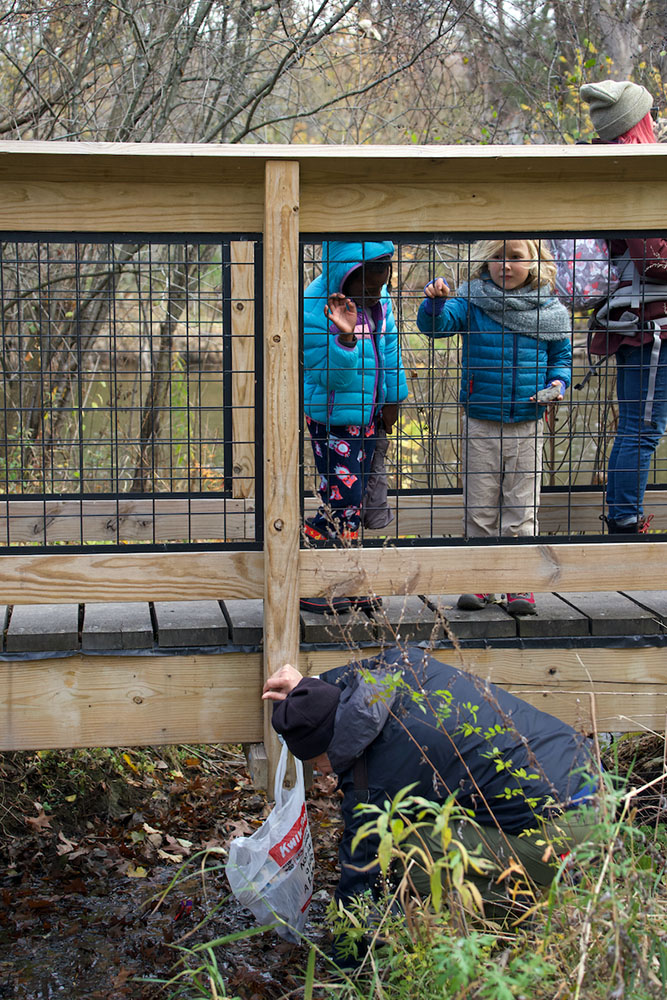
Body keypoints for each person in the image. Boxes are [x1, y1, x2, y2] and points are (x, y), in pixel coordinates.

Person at [262, 645, 598, 929]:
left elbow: (362, 870)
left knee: (407, 864)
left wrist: (345, 964)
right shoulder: (398, 669)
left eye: (316, 762)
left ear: (331, 748)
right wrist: (313, 687)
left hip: (569, 829)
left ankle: (542, 905)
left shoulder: (375, 778)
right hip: (593, 776)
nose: (320, 772)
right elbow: (391, 655)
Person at [416, 238, 572, 616]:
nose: (505, 265)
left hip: (528, 421)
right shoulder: (470, 302)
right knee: (480, 506)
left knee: (521, 507)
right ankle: (480, 582)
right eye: (496, 258)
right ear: (484, 264)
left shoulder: (550, 310)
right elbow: (436, 327)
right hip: (481, 422)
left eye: (515, 258)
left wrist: (558, 384)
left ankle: (520, 584)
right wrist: (435, 301)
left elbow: (561, 357)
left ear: (535, 263)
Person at [301, 240, 408, 614]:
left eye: (384, 278)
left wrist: (394, 400)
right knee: (341, 500)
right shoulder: (315, 305)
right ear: (347, 274)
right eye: (367, 283)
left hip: (370, 416)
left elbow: (391, 352)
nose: (377, 289)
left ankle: (350, 582)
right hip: (335, 419)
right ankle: (304, 575)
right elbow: (333, 378)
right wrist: (345, 337)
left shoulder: (381, 302)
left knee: (356, 502)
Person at [580, 80, 667, 534]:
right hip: (650, 326)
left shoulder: (623, 167)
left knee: (641, 425)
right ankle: (625, 522)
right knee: (643, 428)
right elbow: (654, 261)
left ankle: (624, 518)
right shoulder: (634, 174)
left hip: (646, 323)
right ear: (640, 122)